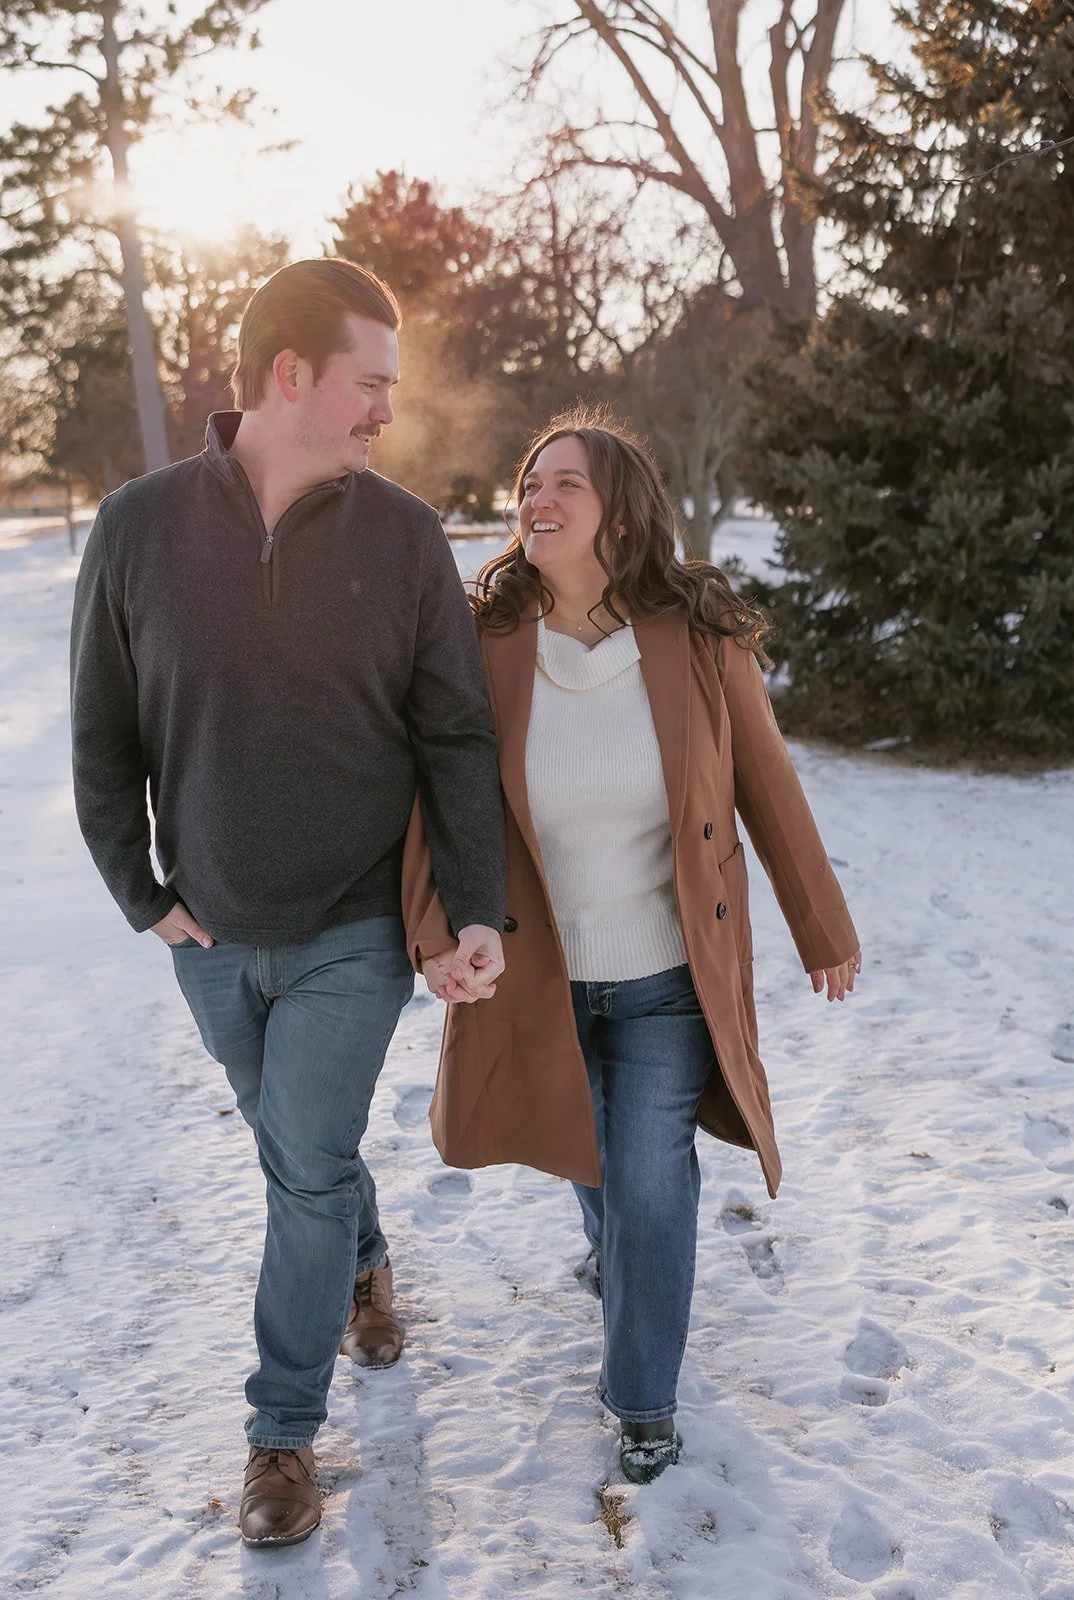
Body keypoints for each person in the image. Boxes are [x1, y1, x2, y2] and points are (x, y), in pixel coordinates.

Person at [70, 258, 507, 1548]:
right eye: (371, 383)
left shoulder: (404, 534)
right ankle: (365, 1263)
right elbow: (101, 733)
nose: (387, 410)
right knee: (300, 1154)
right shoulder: (139, 526)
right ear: (289, 376)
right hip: (206, 929)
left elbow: (457, 737)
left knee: (300, 1165)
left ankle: (280, 1433)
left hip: (355, 926)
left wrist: (473, 904)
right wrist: (142, 894)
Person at [403, 410, 860, 1485]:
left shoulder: (697, 638)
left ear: (620, 513)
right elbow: (439, 800)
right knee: (586, 1144)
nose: (537, 500)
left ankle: (643, 1396)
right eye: (528, 484)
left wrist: (821, 924)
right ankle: (615, 1254)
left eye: (565, 482)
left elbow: (768, 785)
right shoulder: (486, 645)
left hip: (665, 972)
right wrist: (434, 930)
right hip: (541, 970)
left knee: (650, 1173)